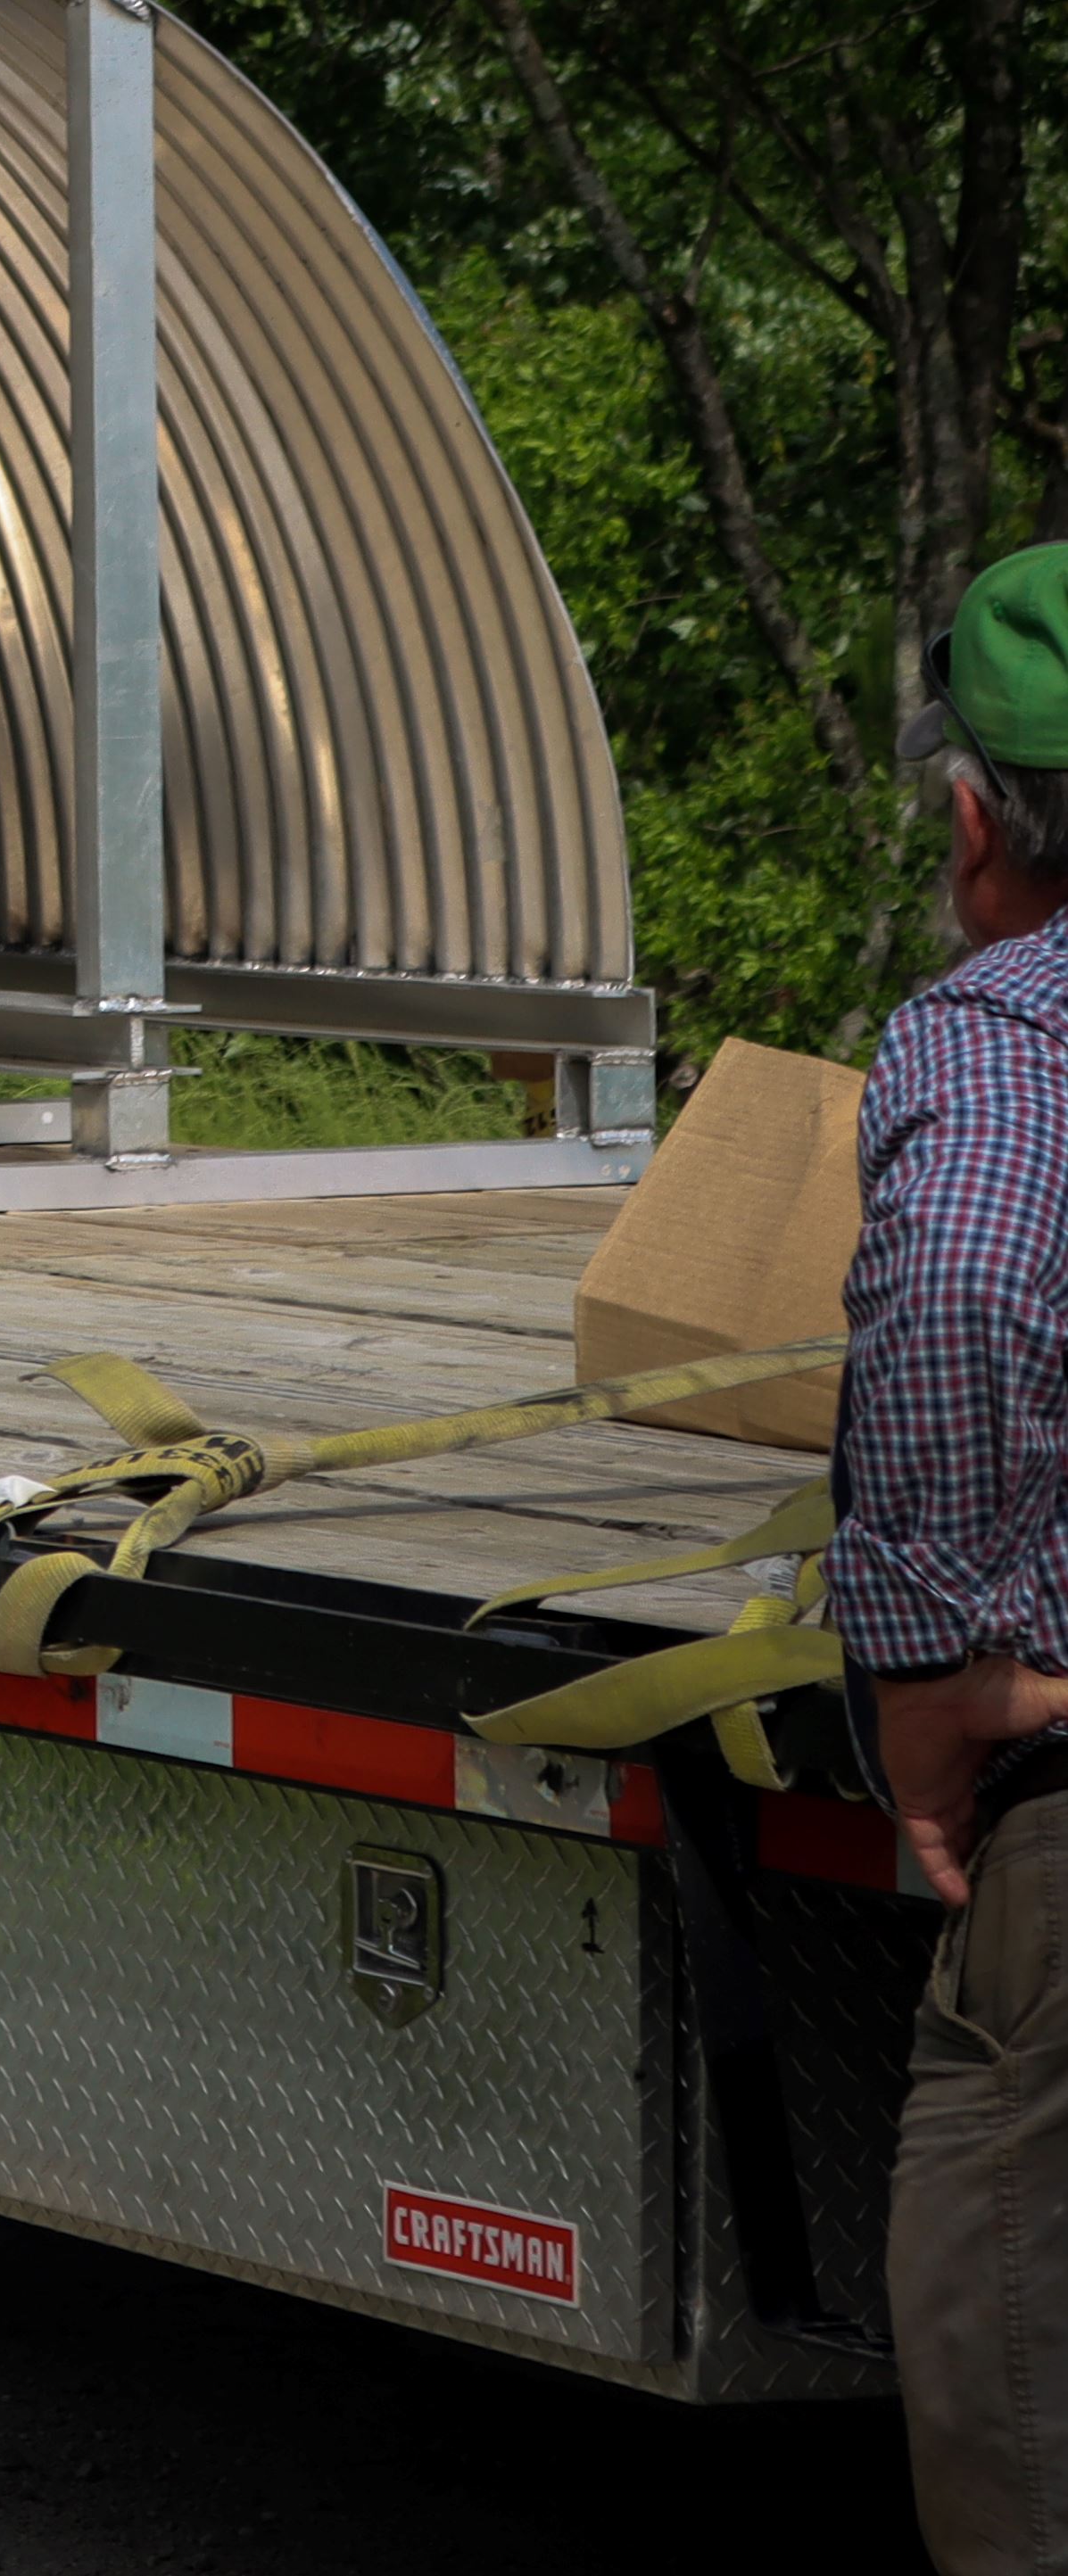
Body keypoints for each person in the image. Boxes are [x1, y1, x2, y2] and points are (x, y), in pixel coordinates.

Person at [844, 536, 1068, 2565]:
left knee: (1006, 2361)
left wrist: (934, 1683)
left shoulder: (999, 1042)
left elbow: (971, 1298)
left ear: (981, 817)